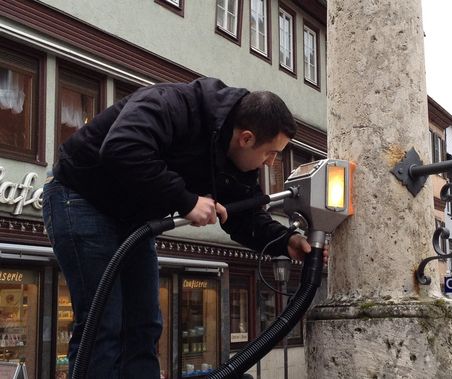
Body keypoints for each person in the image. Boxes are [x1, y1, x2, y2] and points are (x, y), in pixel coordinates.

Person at [42, 77, 322, 378]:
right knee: (103, 323)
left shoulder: (234, 162)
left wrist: (285, 240)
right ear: (246, 138)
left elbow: (244, 214)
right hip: (81, 198)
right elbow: (122, 147)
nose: (270, 162)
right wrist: (187, 200)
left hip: (132, 220)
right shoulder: (172, 104)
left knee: (144, 324)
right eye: (270, 152)